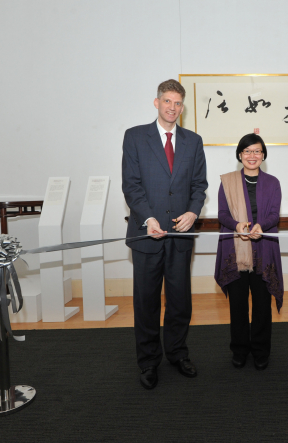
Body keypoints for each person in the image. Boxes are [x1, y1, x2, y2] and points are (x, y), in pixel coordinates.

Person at [122, 79, 207, 390]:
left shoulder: (193, 141)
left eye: (178, 103)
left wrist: (193, 212)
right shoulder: (134, 137)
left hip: (181, 235)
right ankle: (148, 361)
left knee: (180, 301)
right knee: (146, 302)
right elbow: (131, 186)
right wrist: (149, 218)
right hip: (148, 234)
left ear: (183, 108)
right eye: (167, 101)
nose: (173, 107)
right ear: (156, 103)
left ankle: (177, 352)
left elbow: (199, 187)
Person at [214, 134, 283, 371]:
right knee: (238, 305)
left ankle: (261, 351)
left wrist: (261, 226)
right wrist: (236, 226)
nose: (252, 156)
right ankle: (240, 349)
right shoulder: (227, 182)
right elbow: (222, 214)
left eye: (257, 151)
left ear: (263, 155)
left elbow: (275, 214)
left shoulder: (273, 182)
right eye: (247, 151)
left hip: (263, 249)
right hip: (235, 249)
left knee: (263, 305)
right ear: (240, 155)